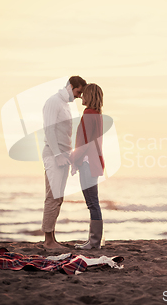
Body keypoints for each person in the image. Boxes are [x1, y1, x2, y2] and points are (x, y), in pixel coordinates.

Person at [41, 76, 86, 249]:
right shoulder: (53, 102)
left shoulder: (66, 105)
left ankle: (52, 237)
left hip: (64, 155)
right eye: (78, 92)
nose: (79, 96)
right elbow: (49, 129)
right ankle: (48, 241)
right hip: (53, 155)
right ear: (70, 86)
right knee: (52, 196)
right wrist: (58, 154)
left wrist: (70, 156)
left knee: (59, 198)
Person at [69, 83, 105, 249]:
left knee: (92, 203)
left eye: (84, 94)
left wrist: (74, 159)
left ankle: (94, 242)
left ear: (89, 96)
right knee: (93, 202)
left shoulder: (89, 113)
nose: (81, 97)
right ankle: (93, 241)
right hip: (94, 162)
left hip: (88, 163)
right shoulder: (97, 114)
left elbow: (84, 142)